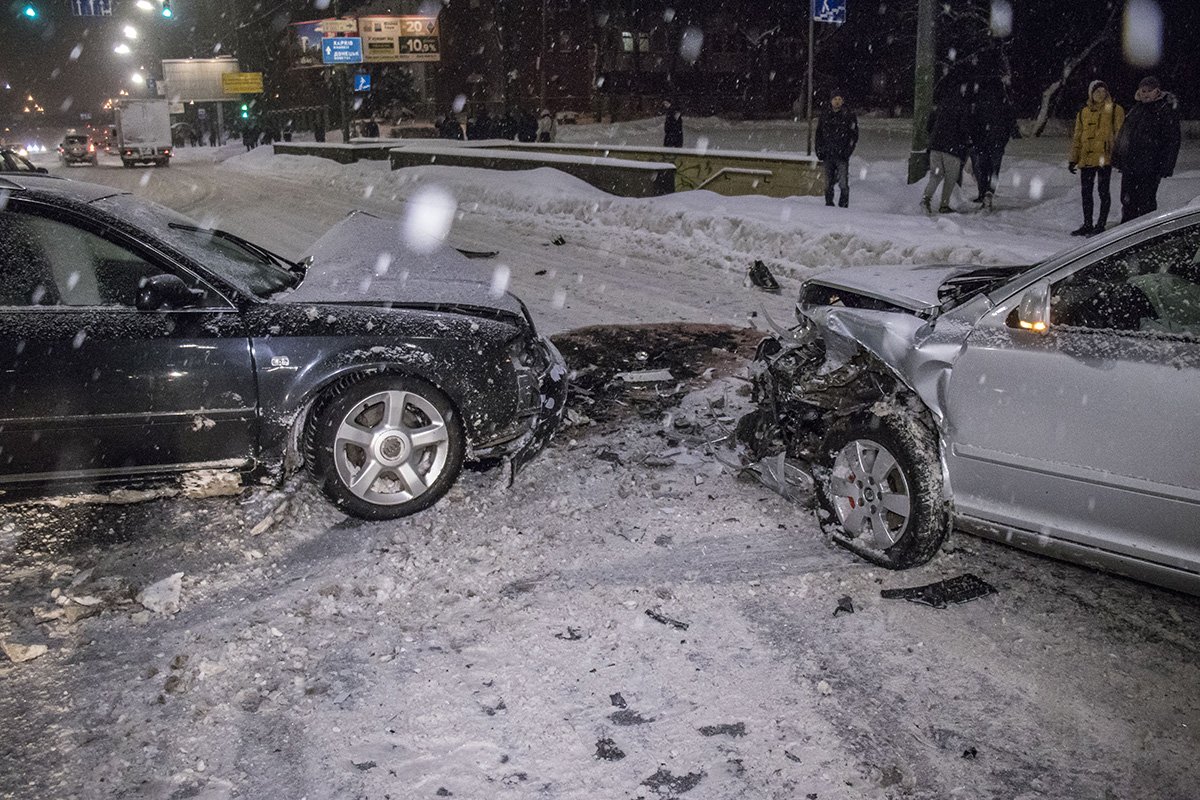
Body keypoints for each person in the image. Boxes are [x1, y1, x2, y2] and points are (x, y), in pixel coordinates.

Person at [1113, 75, 1181, 224]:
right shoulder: (1136, 109)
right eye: (1143, 90)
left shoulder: (1164, 111)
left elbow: (1172, 141)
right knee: (1128, 202)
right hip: (1130, 166)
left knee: (1146, 204)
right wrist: (1117, 158)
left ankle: (1146, 236)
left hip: (1150, 168)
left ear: (1157, 91)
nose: (1145, 94)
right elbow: (1124, 134)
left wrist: (1166, 166)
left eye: (1149, 91)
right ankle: (1126, 234)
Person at [1068, 79, 1125, 236]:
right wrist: (1073, 158)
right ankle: (1087, 224)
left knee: (1103, 192)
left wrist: (1119, 156)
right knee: (1086, 193)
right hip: (1086, 159)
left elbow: (1120, 134)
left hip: (1104, 159)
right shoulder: (1083, 112)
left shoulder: (1114, 109)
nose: (1100, 94)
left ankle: (1100, 224)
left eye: (1103, 91)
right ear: (1090, 94)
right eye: (1097, 91)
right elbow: (1078, 137)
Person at [969, 80, 1016, 210]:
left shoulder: (980, 102)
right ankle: (990, 192)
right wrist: (1003, 139)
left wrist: (976, 139)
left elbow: (974, 123)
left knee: (982, 169)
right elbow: (1010, 124)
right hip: (997, 142)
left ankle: (983, 192)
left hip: (983, 142)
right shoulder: (1004, 104)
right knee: (995, 171)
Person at [921, 94, 972, 213]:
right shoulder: (962, 109)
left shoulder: (939, 109)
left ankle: (926, 199)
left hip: (935, 146)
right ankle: (944, 205)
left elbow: (929, 127)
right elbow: (965, 130)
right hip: (952, 149)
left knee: (936, 175)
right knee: (951, 177)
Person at [814, 88, 859, 208]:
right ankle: (829, 205)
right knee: (828, 184)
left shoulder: (849, 115)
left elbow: (853, 136)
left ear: (843, 101)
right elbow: (819, 135)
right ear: (831, 101)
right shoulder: (825, 115)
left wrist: (847, 151)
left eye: (839, 99)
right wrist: (819, 150)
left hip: (842, 156)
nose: (837, 101)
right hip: (828, 154)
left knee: (843, 184)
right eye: (835, 99)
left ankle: (843, 207)